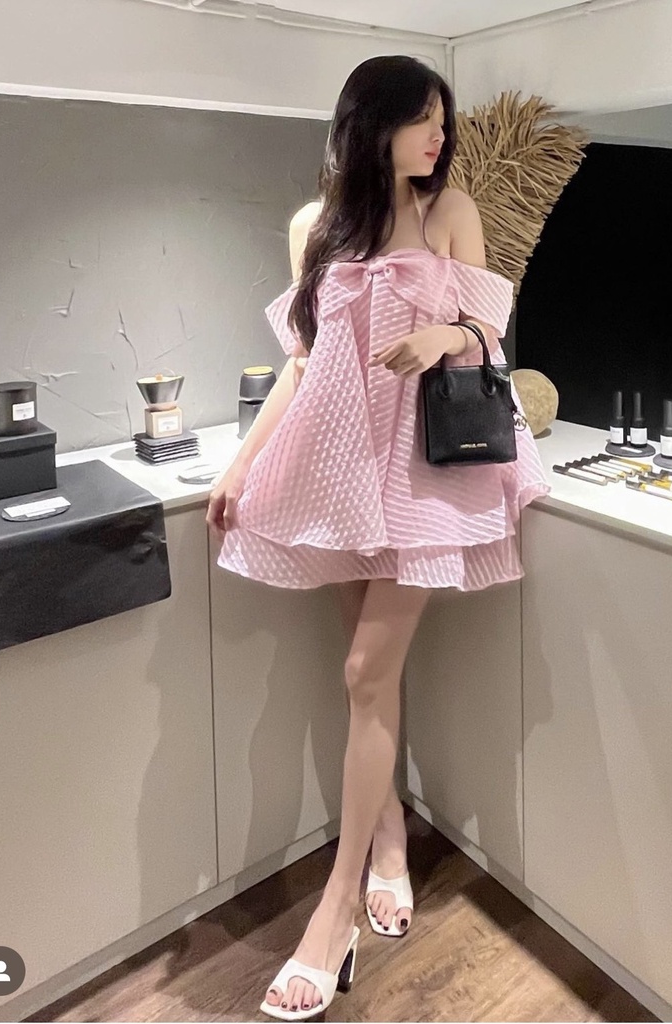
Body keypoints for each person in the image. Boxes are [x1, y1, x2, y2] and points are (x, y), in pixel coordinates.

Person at [205, 54, 549, 1021]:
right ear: (371, 124)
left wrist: (446, 336)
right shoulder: (312, 228)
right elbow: (306, 363)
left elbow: (489, 337)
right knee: (369, 680)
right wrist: (241, 464)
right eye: (421, 119)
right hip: (340, 466)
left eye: (444, 119)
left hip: (429, 471)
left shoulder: (450, 211)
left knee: (364, 672)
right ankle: (390, 838)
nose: (439, 136)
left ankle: (335, 914)